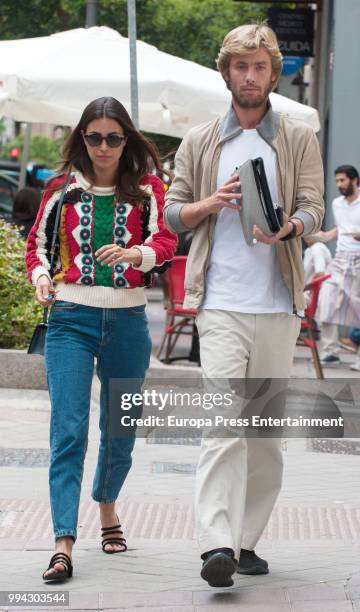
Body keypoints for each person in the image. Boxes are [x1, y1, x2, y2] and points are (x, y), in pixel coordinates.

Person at [164, 24, 324, 588]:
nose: (249, 76)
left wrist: (290, 227)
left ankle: (248, 540)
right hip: (222, 301)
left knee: (264, 433)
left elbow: (312, 205)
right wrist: (210, 203)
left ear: (272, 73)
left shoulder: (300, 137)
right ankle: (217, 542)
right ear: (226, 72)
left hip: (279, 301)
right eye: (240, 67)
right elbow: (171, 213)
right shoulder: (201, 140)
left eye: (259, 67)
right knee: (222, 423)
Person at [25, 97, 177, 581]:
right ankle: (63, 542)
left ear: (127, 140)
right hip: (70, 319)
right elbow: (36, 247)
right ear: (82, 139)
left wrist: (135, 255)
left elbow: (166, 243)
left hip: (129, 322)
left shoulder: (150, 190)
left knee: (122, 429)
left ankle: (107, 505)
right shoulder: (60, 190)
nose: (104, 146)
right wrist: (43, 277)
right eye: (95, 137)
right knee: (68, 430)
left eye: (114, 137)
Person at [317, 165, 360, 370]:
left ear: (354, 180)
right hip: (340, 259)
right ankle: (330, 352)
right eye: (337, 181)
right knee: (326, 299)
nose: (339, 185)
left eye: (342, 181)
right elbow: (339, 229)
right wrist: (324, 236)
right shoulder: (336, 204)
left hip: (359, 259)